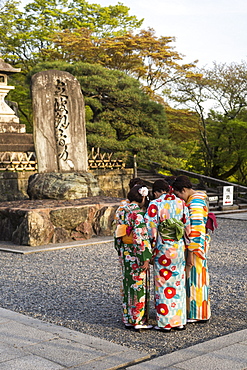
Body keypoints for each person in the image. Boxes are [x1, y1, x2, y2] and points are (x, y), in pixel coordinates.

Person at [145, 179, 191, 331]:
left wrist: (150, 250)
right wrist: (188, 246)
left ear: (156, 192)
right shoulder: (180, 203)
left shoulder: (155, 204)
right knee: (178, 283)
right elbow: (187, 227)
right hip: (178, 247)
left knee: (163, 283)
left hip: (163, 248)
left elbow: (151, 230)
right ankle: (179, 321)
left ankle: (166, 323)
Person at [172, 175, 211, 323]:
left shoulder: (194, 203)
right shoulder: (199, 197)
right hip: (199, 244)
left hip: (195, 246)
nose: (179, 198)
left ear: (184, 190)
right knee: (198, 277)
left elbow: (195, 230)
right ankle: (200, 311)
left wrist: (191, 252)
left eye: (178, 194)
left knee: (195, 279)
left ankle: (197, 314)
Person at [114, 185, 153, 330]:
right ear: (142, 197)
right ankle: (137, 320)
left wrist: (120, 249)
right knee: (138, 285)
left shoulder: (121, 210)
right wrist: (145, 257)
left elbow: (117, 232)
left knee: (127, 284)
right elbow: (140, 237)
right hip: (135, 253)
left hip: (125, 250)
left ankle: (128, 318)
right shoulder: (137, 213)